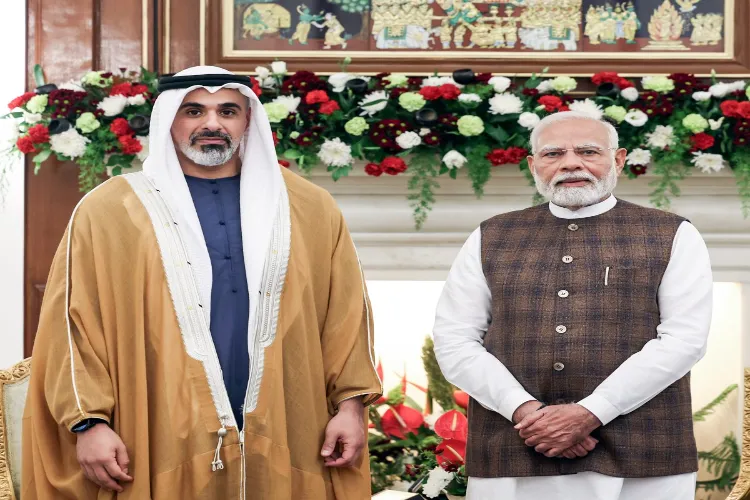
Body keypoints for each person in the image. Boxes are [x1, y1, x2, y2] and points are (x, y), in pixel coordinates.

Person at [22, 66, 382, 499]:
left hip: (291, 423)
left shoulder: (309, 207)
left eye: (227, 110)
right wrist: (89, 423)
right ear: (168, 119)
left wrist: (351, 407)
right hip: (155, 427)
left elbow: (345, 316)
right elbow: (72, 327)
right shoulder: (108, 211)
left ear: (247, 120)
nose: (212, 123)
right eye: (194, 110)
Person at [433, 111, 712, 499]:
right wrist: (526, 412)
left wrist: (591, 412)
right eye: (553, 154)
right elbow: (454, 340)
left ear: (618, 160)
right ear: (533, 165)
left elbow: (684, 341)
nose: (570, 163)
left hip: (643, 453)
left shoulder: (673, 233)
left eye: (587, 151)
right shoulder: (491, 235)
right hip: (512, 446)